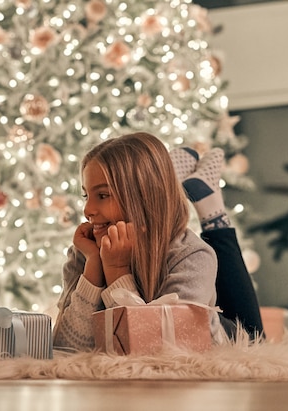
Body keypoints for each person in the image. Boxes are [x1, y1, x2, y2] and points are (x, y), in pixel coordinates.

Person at [52, 132, 264, 352]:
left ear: (142, 196)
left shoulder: (191, 255)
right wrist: (94, 268)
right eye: (86, 196)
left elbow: (155, 351)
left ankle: (213, 213)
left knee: (256, 338)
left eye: (103, 195)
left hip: (223, 337)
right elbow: (64, 350)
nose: (87, 211)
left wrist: (116, 270)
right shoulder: (86, 253)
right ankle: (166, 177)